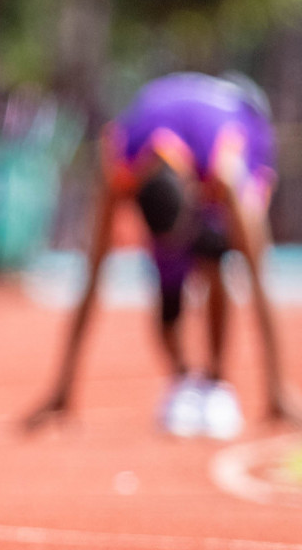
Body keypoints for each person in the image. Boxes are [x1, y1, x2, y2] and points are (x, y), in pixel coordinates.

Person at [24, 72, 298, 439]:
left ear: (195, 195)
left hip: (231, 121)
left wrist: (276, 389)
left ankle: (215, 381)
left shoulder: (227, 169)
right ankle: (185, 380)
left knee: (215, 259)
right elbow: (92, 277)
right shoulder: (118, 168)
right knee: (167, 282)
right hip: (165, 124)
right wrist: (63, 388)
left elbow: (259, 273)